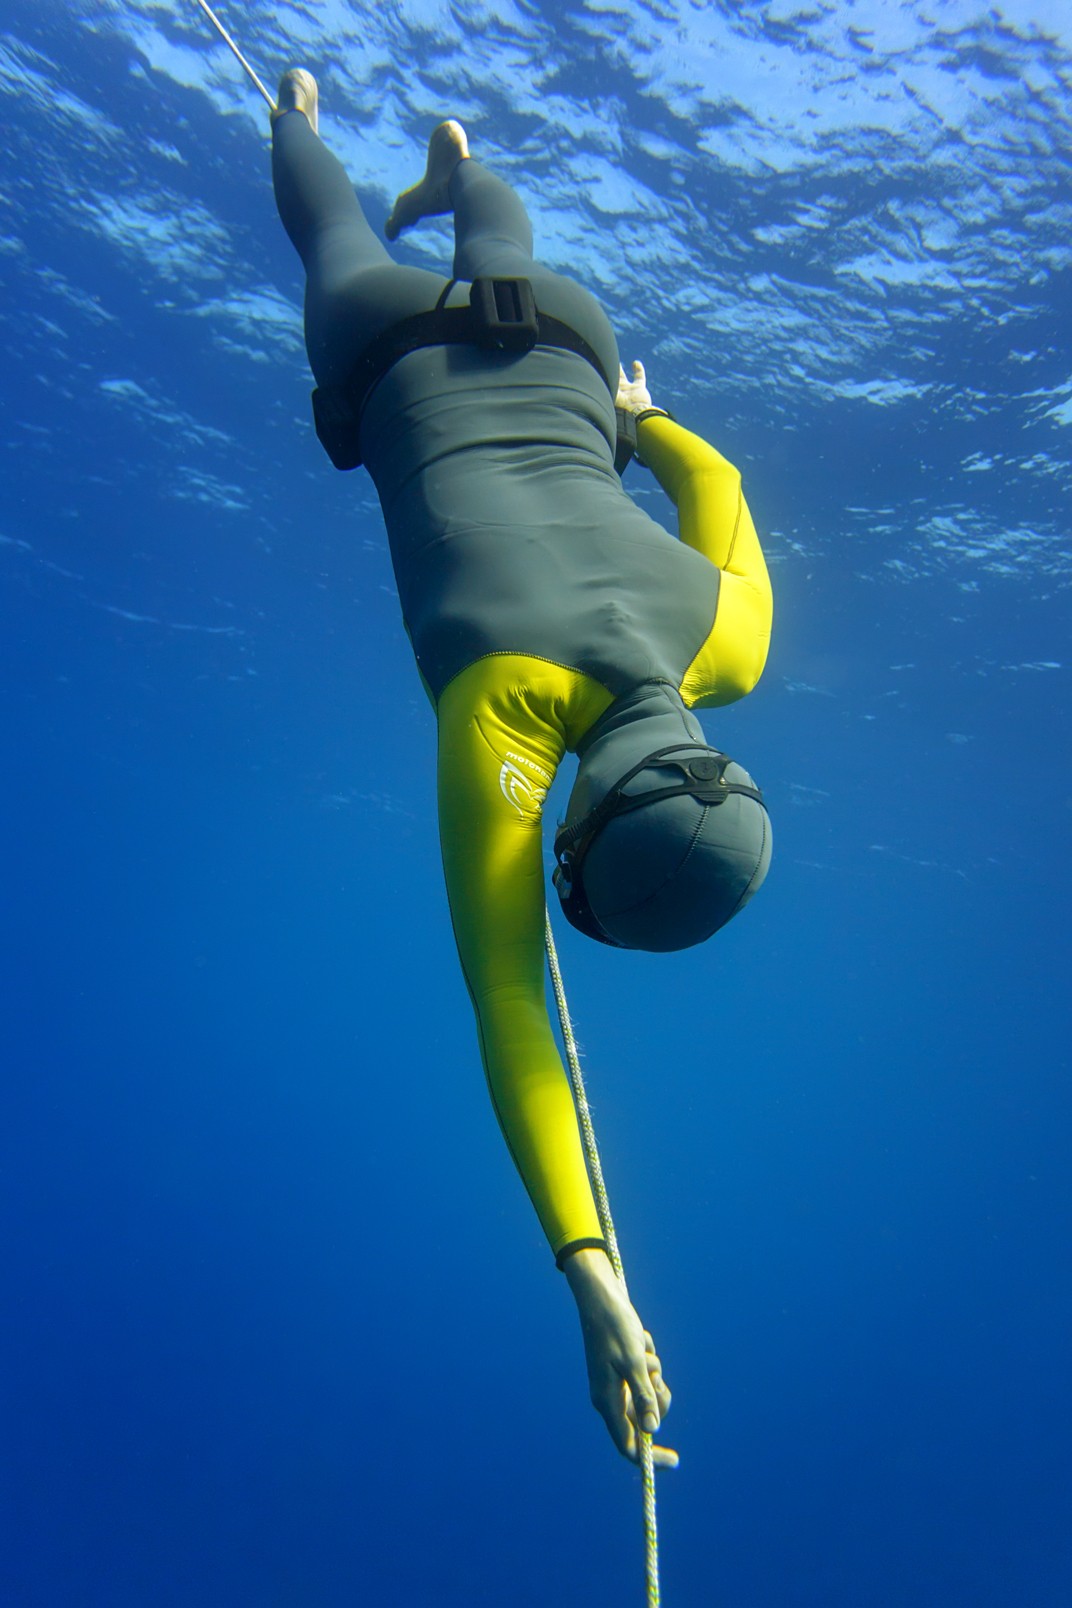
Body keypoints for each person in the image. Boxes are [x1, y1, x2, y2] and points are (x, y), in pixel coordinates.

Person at [270, 70, 773, 1469]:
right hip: (391, 361)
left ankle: (462, 172)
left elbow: (720, 494)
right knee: (336, 251)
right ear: (571, 837)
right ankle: (297, 121)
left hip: (564, 348)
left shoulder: (728, 645)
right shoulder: (500, 721)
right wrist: (592, 1276)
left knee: (501, 242)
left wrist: (641, 418)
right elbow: (508, 1000)